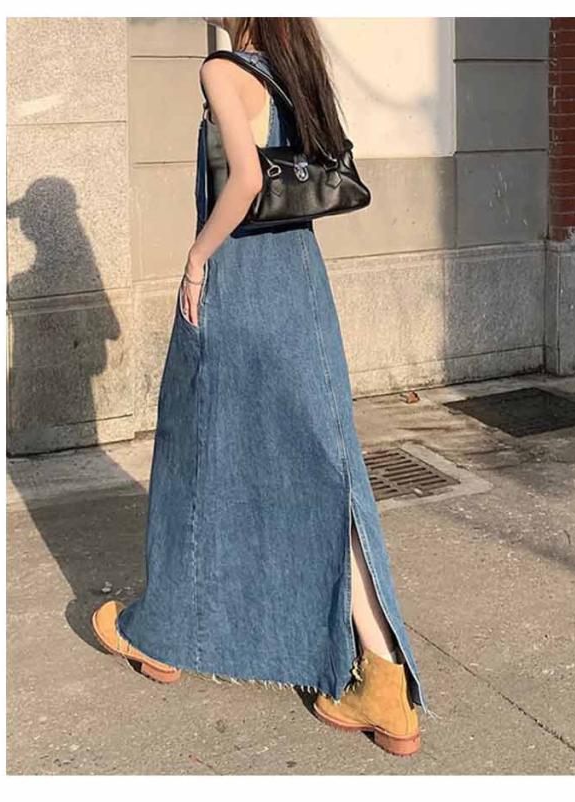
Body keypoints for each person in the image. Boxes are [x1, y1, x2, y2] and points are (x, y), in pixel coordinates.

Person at [92, 17, 427, 757]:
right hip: (300, 284)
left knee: (200, 454)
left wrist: (195, 259)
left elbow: (245, 180)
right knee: (323, 469)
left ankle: (167, 635)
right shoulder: (291, 71)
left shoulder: (222, 69)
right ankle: (381, 676)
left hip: (241, 286)